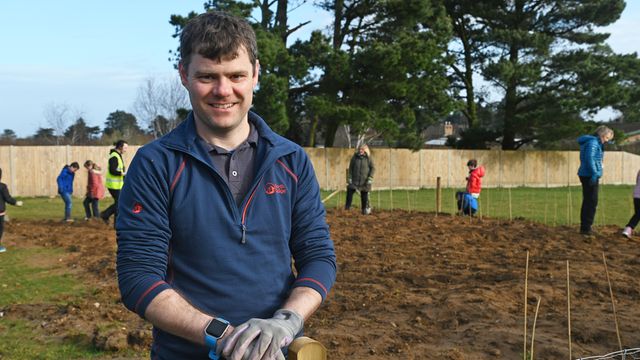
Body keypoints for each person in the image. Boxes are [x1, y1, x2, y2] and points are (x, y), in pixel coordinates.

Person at [116, 11, 336, 360]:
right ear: (184, 76)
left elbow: (319, 258)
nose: (223, 91)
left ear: (256, 75)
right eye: (207, 76)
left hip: (276, 351)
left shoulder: (291, 160)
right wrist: (225, 337)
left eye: (236, 76)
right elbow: (138, 277)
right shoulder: (156, 163)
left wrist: (286, 323)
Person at [577, 125, 614, 236]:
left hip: (588, 174)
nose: (607, 141)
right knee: (591, 201)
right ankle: (586, 228)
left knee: (589, 200)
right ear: (602, 135)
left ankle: (586, 227)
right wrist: (594, 173)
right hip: (589, 175)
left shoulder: (594, 142)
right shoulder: (593, 143)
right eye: (607, 138)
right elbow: (589, 159)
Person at [100, 140, 127, 226]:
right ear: (120, 147)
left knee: (118, 203)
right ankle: (113, 220)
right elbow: (113, 170)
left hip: (117, 185)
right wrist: (122, 173)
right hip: (113, 185)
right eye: (125, 147)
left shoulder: (117, 155)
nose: (126, 150)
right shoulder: (114, 156)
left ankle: (106, 215)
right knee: (119, 203)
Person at [345, 144, 375, 215]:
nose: (360, 150)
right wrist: (349, 177)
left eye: (362, 149)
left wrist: (370, 177)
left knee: (364, 195)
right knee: (349, 192)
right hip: (355, 180)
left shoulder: (369, 158)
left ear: (365, 151)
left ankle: (364, 210)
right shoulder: (354, 157)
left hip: (365, 181)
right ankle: (347, 208)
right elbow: (351, 168)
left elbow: (373, 168)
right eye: (360, 149)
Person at [0, 168, 23, 253]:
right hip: (0, 212)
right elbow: (7, 198)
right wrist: (16, 203)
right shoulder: (2, 186)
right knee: (0, 229)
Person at [622, 168, 640, 238]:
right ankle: (628, 229)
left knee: (637, 214)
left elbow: (637, 181)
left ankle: (628, 229)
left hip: (636, 196)